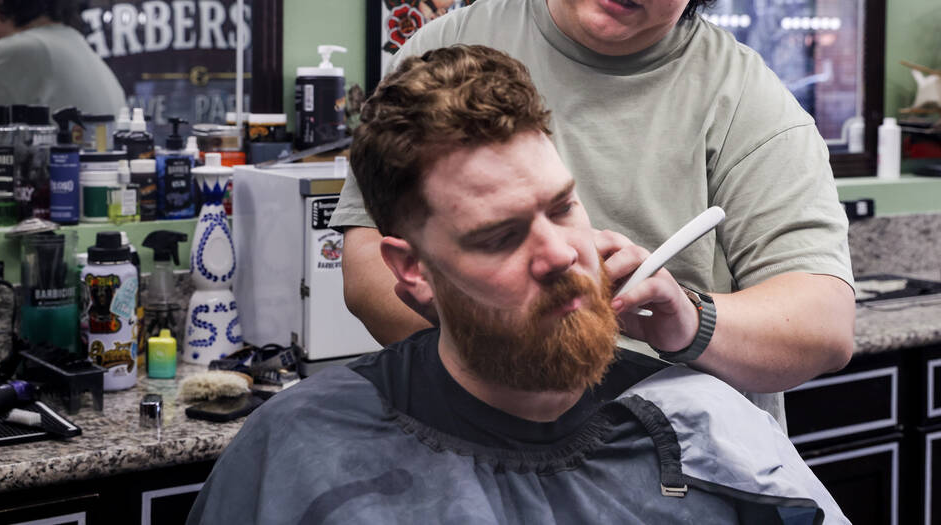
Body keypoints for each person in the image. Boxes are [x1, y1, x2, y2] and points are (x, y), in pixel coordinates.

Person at [335, 0, 855, 428]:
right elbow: (366, 265)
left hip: (675, 462)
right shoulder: (446, 47)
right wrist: (515, 349)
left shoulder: (747, 100)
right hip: (476, 438)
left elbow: (824, 326)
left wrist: (687, 318)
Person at [188, 45, 847, 524]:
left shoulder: (707, 426)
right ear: (411, 269)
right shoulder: (297, 451)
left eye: (562, 206)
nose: (562, 253)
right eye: (500, 236)